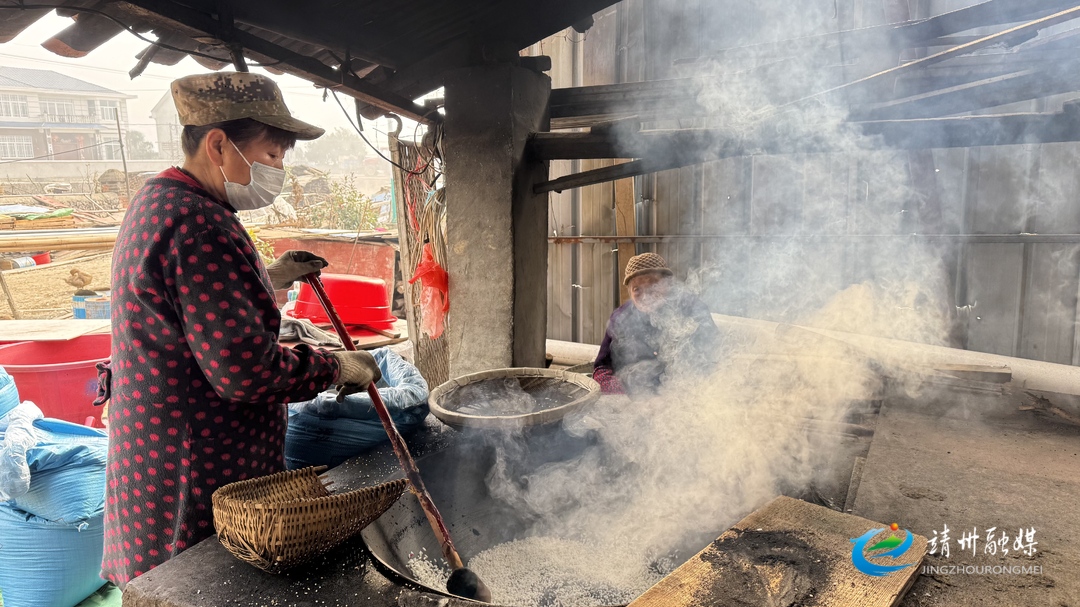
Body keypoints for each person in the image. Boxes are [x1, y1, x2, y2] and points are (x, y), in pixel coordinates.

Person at [101, 72, 382, 588]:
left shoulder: (162, 199)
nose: (279, 167)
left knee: (160, 583)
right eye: (273, 153)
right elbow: (244, 370)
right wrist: (334, 365)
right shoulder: (200, 223)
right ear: (218, 144)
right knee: (193, 585)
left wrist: (267, 278)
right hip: (196, 461)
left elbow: (188, 305)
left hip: (157, 446)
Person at [593, 253, 720, 396]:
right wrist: (624, 394)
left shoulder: (691, 307)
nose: (646, 295)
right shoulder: (621, 317)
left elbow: (714, 353)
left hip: (688, 394)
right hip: (636, 401)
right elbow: (601, 370)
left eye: (653, 284)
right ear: (629, 291)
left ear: (668, 284)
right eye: (637, 289)